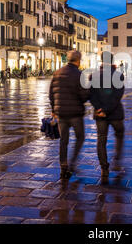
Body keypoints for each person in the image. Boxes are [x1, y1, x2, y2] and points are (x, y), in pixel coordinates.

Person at [50, 51, 90, 180]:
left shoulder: (57, 73)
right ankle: (72, 163)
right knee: (80, 137)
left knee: (63, 140)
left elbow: (51, 94)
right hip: (75, 114)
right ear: (78, 60)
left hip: (61, 113)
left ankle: (63, 166)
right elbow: (84, 96)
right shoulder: (79, 75)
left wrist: (53, 109)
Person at [90, 52, 125, 183]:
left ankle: (104, 167)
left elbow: (91, 95)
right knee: (119, 134)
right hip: (115, 113)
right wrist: (108, 109)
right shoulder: (118, 75)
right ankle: (117, 158)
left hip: (100, 115)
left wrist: (100, 109)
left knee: (101, 139)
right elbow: (118, 96)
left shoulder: (94, 76)